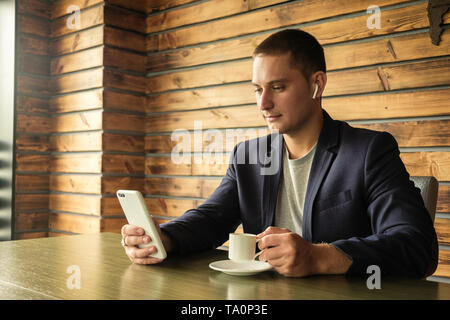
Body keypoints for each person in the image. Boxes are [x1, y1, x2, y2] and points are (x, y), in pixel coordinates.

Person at [121, 29, 438, 278]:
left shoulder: (369, 151)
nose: (263, 104)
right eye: (258, 90)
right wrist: (165, 239)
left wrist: (318, 256)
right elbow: (210, 219)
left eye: (278, 87)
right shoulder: (249, 154)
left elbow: (416, 245)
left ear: (317, 84)